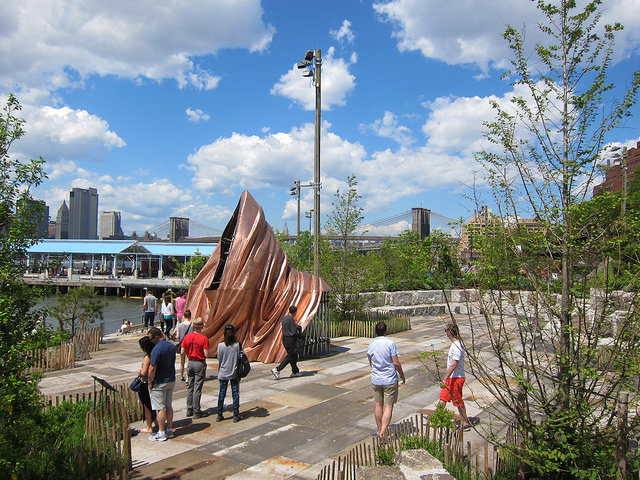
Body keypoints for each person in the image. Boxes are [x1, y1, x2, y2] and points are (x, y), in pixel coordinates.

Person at [367, 321, 405, 439]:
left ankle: (379, 430)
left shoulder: (372, 344)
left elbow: (370, 360)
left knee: (378, 405)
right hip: (389, 379)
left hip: (377, 379)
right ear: (385, 331)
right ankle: (383, 432)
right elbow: (396, 362)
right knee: (388, 406)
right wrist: (402, 375)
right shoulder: (390, 343)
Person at [439, 323, 471, 429]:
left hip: (456, 377)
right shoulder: (455, 344)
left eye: (446, 331)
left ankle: (465, 421)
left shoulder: (457, 345)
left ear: (449, 332)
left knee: (457, 401)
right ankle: (437, 418)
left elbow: (454, 363)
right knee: (443, 398)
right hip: (452, 377)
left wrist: (445, 378)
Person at [147, 327, 176, 442]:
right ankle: (169, 429)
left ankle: (161, 432)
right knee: (168, 405)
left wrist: (150, 381)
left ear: (156, 337)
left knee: (160, 408)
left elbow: (152, 367)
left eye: (151, 339)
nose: (150, 341)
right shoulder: (171, 346)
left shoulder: (157, 349)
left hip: (160, 381)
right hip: (171, 379)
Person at [180, 317, 209, 418]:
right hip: (199, 362)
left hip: (190, 362)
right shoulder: (204, 339)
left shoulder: (187, 337)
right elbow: (206, 354)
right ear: (201, 327)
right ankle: (197, 411)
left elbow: (182, 352)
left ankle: (189, 409)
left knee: (190, 386)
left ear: (193, 327)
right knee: (197, 387)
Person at [217, 324, 243, 422]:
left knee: (221, 393)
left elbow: (219, 358)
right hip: (234, 372)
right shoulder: (237, 345)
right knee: (235, 394)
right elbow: (240, 357)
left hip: (223, 372)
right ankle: (236, 415)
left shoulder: (220, 346)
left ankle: (219, 414)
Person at [271, 306, 302, 379]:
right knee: (290, 356)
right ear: (295, 312)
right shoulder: (291, 319)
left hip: (285, 338)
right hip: (290, 340)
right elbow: (294, 331)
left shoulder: (284, 318)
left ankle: (295, 371)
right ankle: (277, 369)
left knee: (294, 356)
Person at [137, 336, 158, 434]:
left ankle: (149, 426)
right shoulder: (155, 353)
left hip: (145, 383)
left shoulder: (147, 357)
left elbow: (144, 372)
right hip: (155, 381)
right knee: (154, 404)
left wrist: (140, 371)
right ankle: (156, 422)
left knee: (147, 405)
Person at [176, 309, 193, 382]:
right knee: (188, 362)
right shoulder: (192, 325)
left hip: (182, 345)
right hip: (190, 345)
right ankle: (187, 377)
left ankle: (181, 376)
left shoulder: (179, 325)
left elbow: (177, 336)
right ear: (190, 316)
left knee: (182, 362)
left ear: (183, 316)